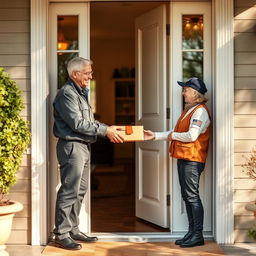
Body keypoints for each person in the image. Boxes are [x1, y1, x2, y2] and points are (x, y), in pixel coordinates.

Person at [52, 57, 124, 250]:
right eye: (87, 73)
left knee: (80, 190)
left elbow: (88, 122)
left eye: (91, 72)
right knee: (69, 190)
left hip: (83, 146)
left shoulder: (81, 93)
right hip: (72, 146)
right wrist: (106, 130)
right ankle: (61, 233)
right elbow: (77, 124)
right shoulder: (67, 94)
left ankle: (73, 229)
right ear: (75, 74)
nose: (91, 76)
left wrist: (108, 128)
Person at [144, 77, 210, 248]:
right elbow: (176, 132)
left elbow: (191, 136)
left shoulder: (200, 111)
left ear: (195, 93)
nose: (183, 92)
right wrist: (156, 135)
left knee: (192, 196)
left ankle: (197, 235)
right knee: (188, 197)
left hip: (193, 160)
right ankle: (191, 233)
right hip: (185, 158)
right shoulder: (190, 110)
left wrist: (170, 136)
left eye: (185, 89)